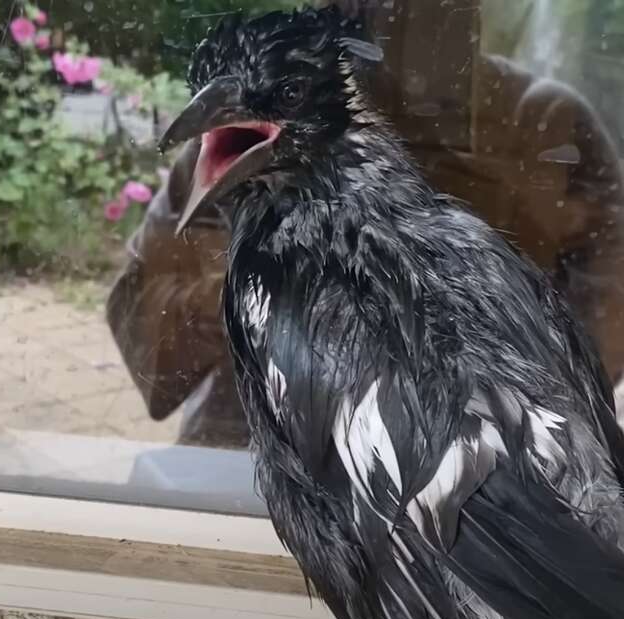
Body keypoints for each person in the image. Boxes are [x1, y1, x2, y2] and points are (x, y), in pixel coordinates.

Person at [107, 2, 624, 448]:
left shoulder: (545, 122)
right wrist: (276, 294)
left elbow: (599, 348)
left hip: (478, 488)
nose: (384, 10)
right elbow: (149, 347)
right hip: (239, 458)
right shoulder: (237, 130)